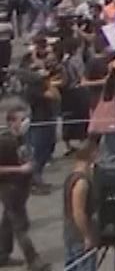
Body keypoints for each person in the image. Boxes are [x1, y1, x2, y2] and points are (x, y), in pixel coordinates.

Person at [0, 105, 48, 271]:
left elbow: (24, 158)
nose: (26, 122)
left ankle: (2, 255)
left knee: (8, 221)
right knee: (21, 225)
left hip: (21, 188)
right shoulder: (4, 141)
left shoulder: (21, 138)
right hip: (9, 189)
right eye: (22, 119)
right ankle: (33, 260)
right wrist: (20, 170)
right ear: (11, 122)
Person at [62, 138, 97, 271]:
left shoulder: (71, 176)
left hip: (69, 233)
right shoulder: (81, 183)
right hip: (79, 236)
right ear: (93, 154)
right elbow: (78, 212)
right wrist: (87, 236)